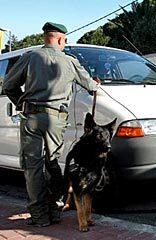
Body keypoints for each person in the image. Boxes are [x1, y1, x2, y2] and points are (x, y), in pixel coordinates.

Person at [3, 22, 99, 227]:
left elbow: (8, 84)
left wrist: (22, 102)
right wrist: (95, 84)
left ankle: (39, 217)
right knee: (53, 163)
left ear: (46, 37)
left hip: (32, 118)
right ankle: (55, 209)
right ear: (60, 39)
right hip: (56, 120)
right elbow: (91, 86)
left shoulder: (30, 57)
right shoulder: (70, 61)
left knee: (33, 167)